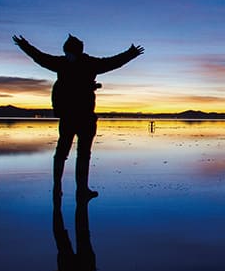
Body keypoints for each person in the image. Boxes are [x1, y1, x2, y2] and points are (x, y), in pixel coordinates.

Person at [13, 34, 144, 200]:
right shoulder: (62, 63)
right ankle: (57, 186)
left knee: (83, 154)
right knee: (62, 152)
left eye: (70, 52)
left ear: (77, 51)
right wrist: (25, 45)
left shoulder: (89, 63)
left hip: (86, 118)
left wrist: (130, 53)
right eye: (66, 53)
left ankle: (82, 189)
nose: (68, 56)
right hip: (68, 117)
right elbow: (39, 57)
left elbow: (112, 62)